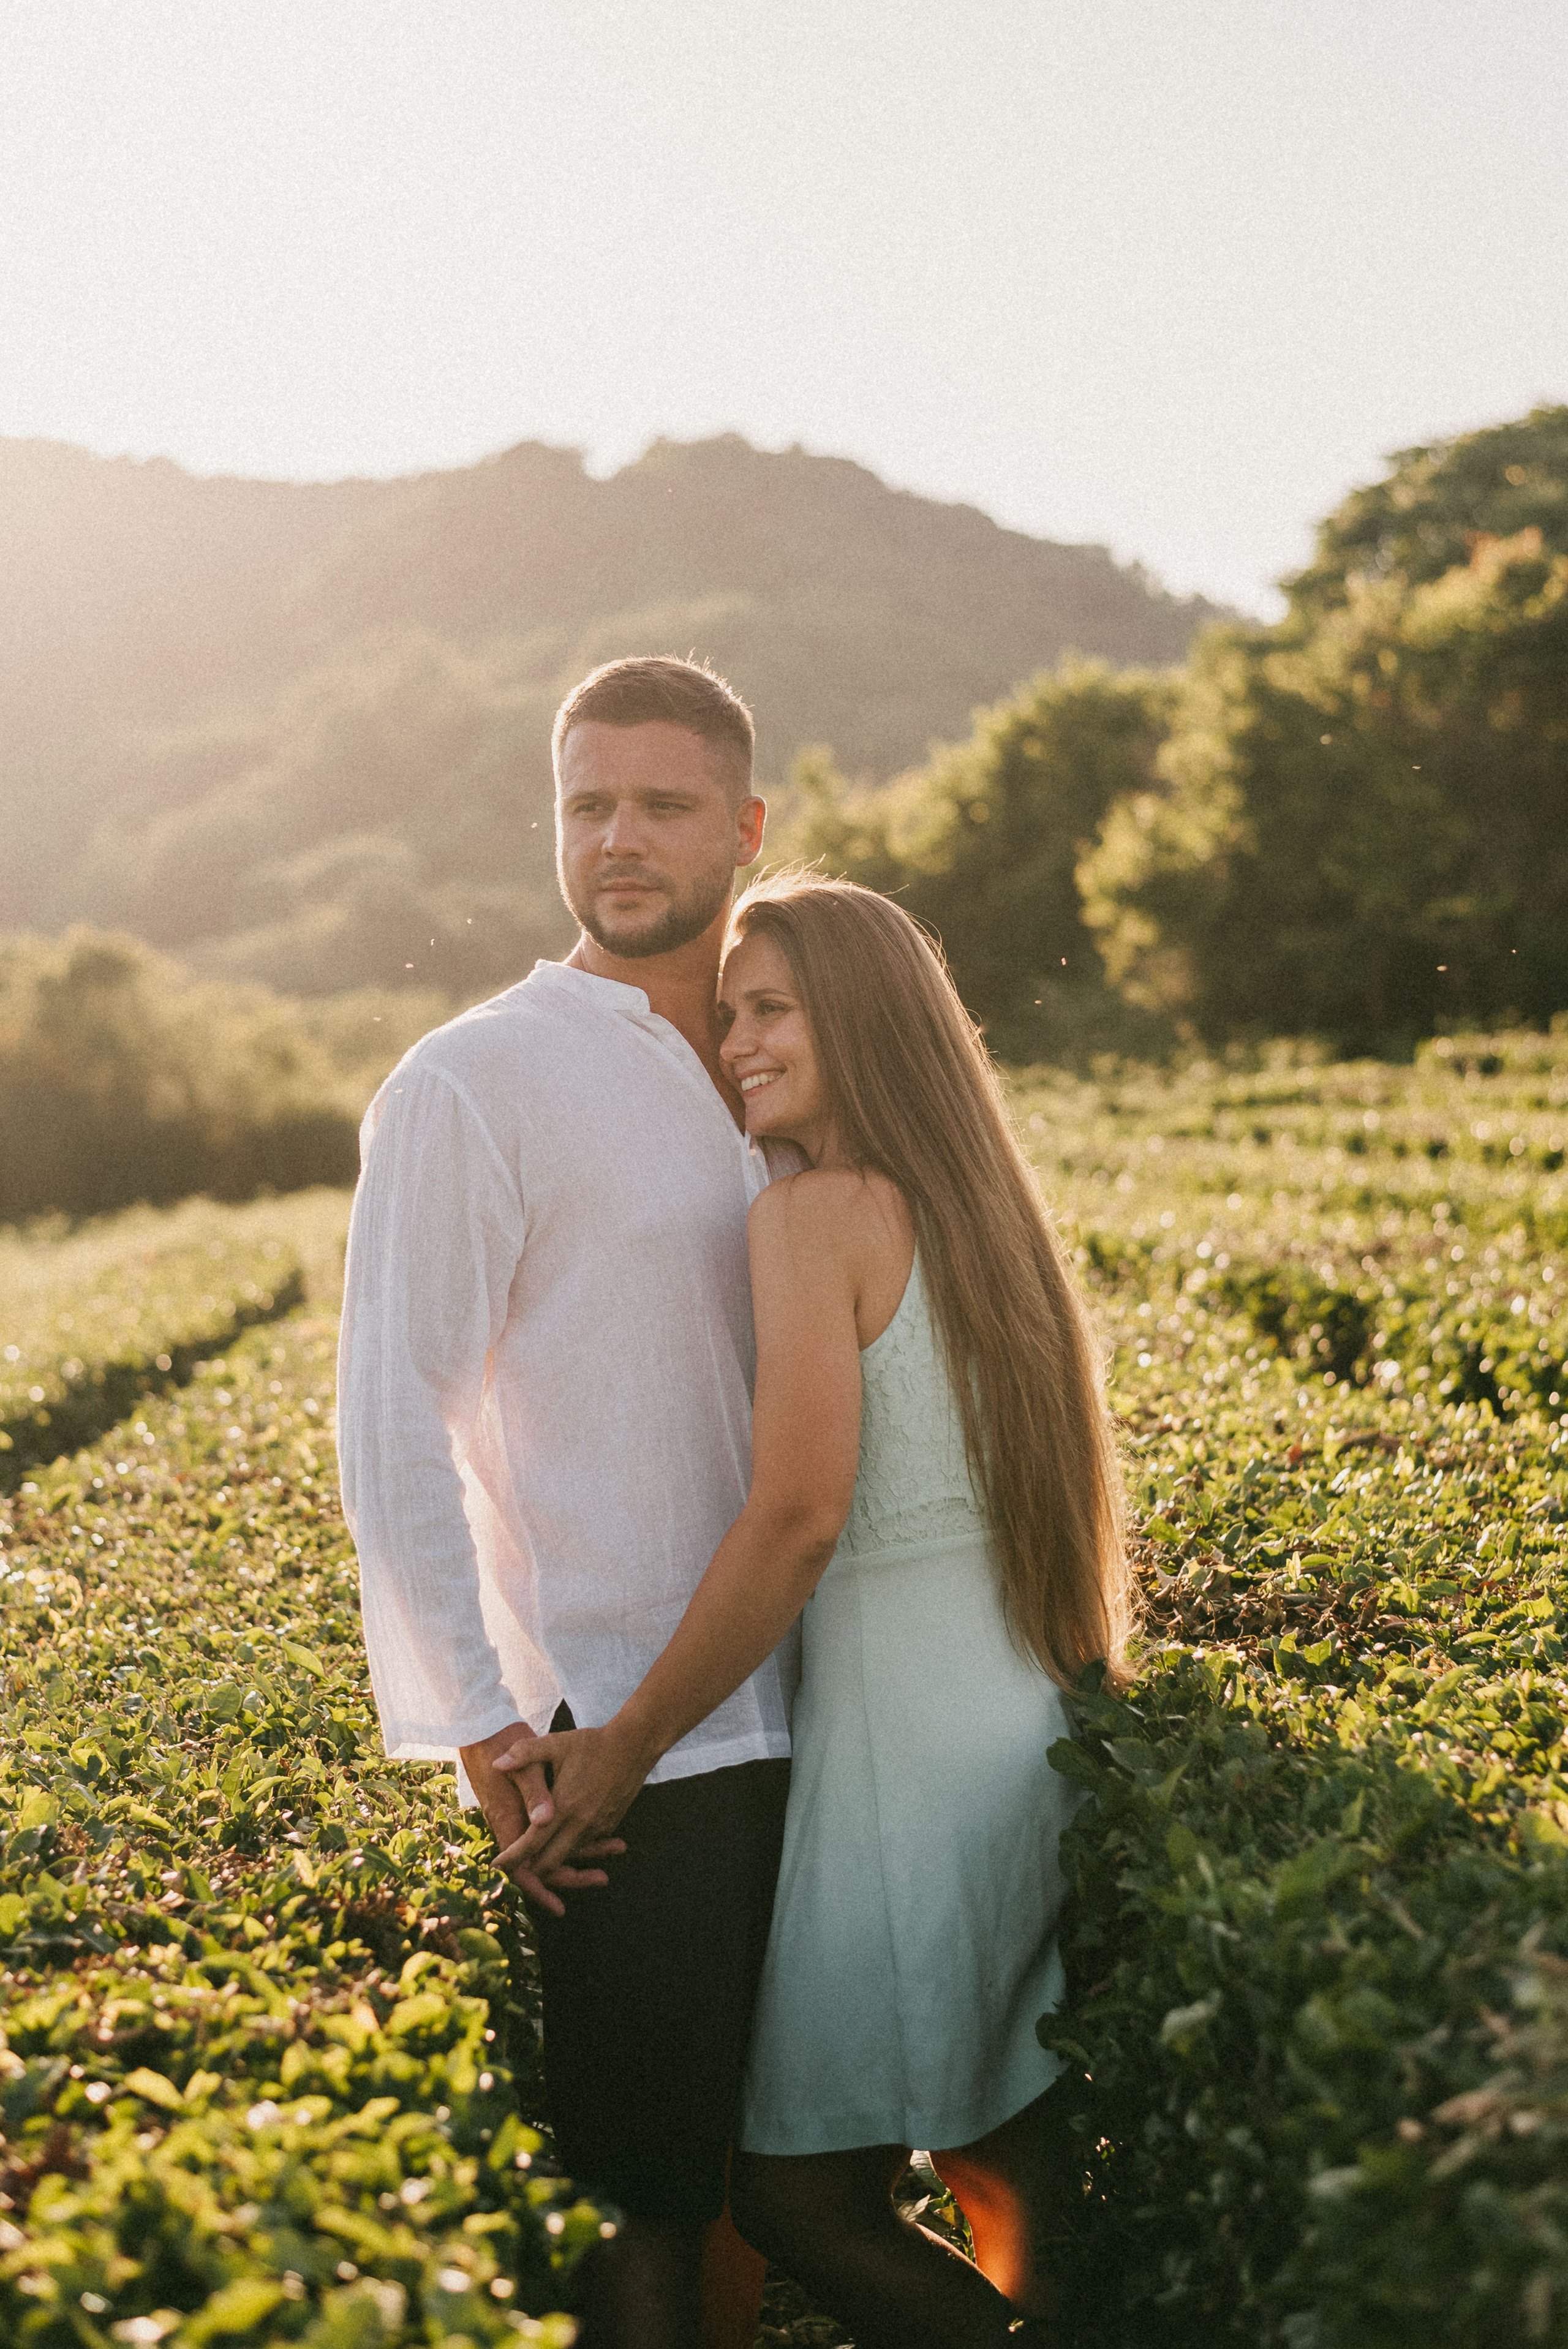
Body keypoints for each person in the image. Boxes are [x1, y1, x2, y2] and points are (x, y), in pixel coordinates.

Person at [494, 872, 1134, 2349]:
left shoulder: (808, 1216)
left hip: (900, 1770)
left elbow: (793, 1519)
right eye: (730, 1018)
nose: (737, 1045)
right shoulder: (982, 1215)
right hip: (1017, 1732)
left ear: (861, 1022)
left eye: (770, 1011)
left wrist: (628, 1741)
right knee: (1007, 2155)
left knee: (791, 2197)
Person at [336, 657, 803, 2349]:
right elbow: (394, 1415)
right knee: (646, 2206)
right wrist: (481, 1723)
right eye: (587, 801)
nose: (620, 836)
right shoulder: (476, 1078)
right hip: (631, 1741)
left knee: (795, 2175)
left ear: (746, 827)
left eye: (664, 803)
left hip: (837, 1713)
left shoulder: (793, 1057)